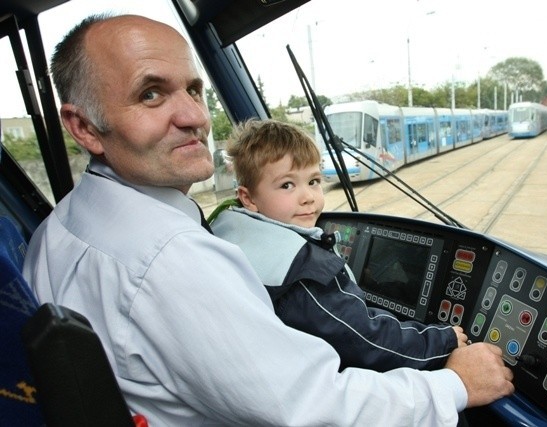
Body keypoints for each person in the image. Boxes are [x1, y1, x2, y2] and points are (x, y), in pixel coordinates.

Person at [23, 13, 514, 426]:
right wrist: (453, 384)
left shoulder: (57, 227)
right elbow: (312, 405)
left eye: (194, 89)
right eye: (151, 94)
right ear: (84, 126)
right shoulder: (170, 259)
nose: (194, 116)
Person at [210, 119, 467, 373]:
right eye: (287, 185)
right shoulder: (301, 274)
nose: (308, 197)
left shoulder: (225, 229)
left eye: (313, 181)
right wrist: (442, 340)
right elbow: (364, 339)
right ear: (248, 198)